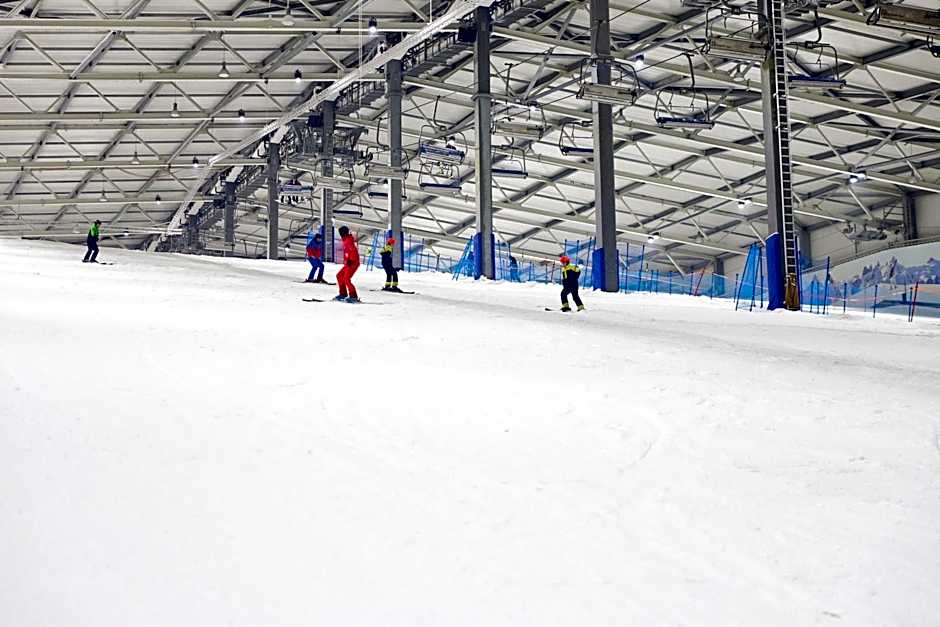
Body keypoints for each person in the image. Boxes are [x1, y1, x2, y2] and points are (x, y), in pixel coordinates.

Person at [335, 225, 361, 302]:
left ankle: (353, 296)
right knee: (339, 275)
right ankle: (343, 293)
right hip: (348, 263)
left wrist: (351, 260)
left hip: (353, 262)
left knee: (346, 278)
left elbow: (354, 251)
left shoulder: (348, 241)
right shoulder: (345, 240)